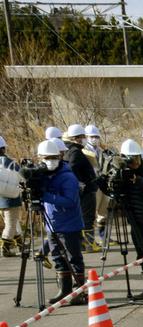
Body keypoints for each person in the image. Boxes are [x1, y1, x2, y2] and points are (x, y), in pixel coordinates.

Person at [109, 139, 143, 298]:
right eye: (132, 160)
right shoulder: (121, 170)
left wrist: (138, 180)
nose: (135, 163)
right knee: (141, 255)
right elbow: (113, 190)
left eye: (137, 159)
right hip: (135, 219)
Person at [37, 139, 87, 305]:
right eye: (46, 158)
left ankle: (79, 291)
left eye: (53, 157)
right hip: (52, 224)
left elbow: (70, 201)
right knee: (58, 257)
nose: (50, 161)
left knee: (74, 258)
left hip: (69, 224)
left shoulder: (67, 177)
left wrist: (46, 196)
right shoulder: (45, 175)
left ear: (59, 157)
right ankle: (64, 290)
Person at [63, 123, 100, 252]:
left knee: (83, 217)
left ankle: (83, 243)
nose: (84, 139)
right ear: (77, 138)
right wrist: (79, 183)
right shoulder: (75, 152)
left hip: (82, 190)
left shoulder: (69, 150)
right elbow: (72, 168)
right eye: (83, 136)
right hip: (86, 191)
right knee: (88, 217)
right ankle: (89, 243)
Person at [0, 136, 22, 257]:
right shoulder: (8, 162)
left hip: (1, 199)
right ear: (3, 148)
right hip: (11, 199)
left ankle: (20, 243)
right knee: (11, 224)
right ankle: (6, 248)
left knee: (12, 222)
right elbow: (22, 175)